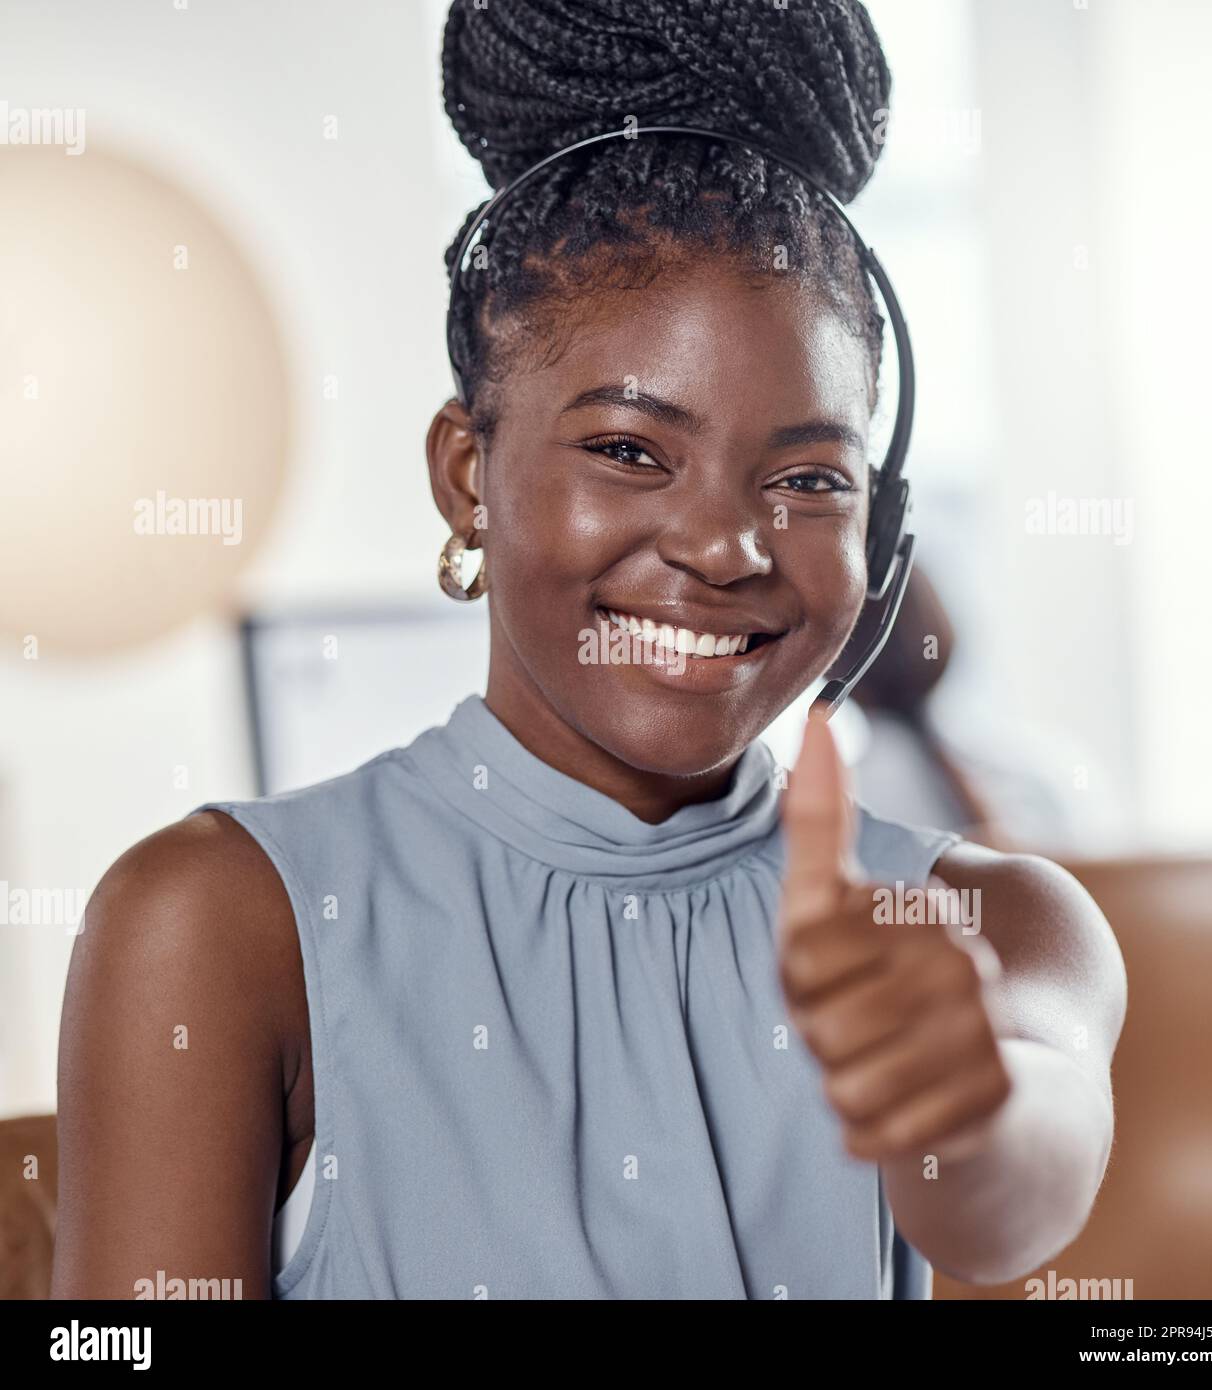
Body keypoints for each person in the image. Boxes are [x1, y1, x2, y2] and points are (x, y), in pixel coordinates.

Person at [51, 0, 1125, 1300]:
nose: (726, 544)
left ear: (883, 532)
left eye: (809, 479)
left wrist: (972, 1099)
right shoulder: (216, 923)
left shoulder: (992, 919)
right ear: (468, 477)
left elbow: (1018, 1186)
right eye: (628, 450)